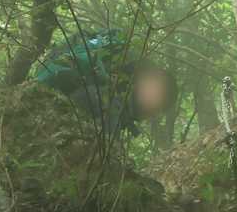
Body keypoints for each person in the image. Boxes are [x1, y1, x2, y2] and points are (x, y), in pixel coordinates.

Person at [36, 29, 177, 135]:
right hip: (62, 87)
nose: (152, 114)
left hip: (55, 84)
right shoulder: (131, 65)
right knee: (110, 107)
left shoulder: (133, 73)